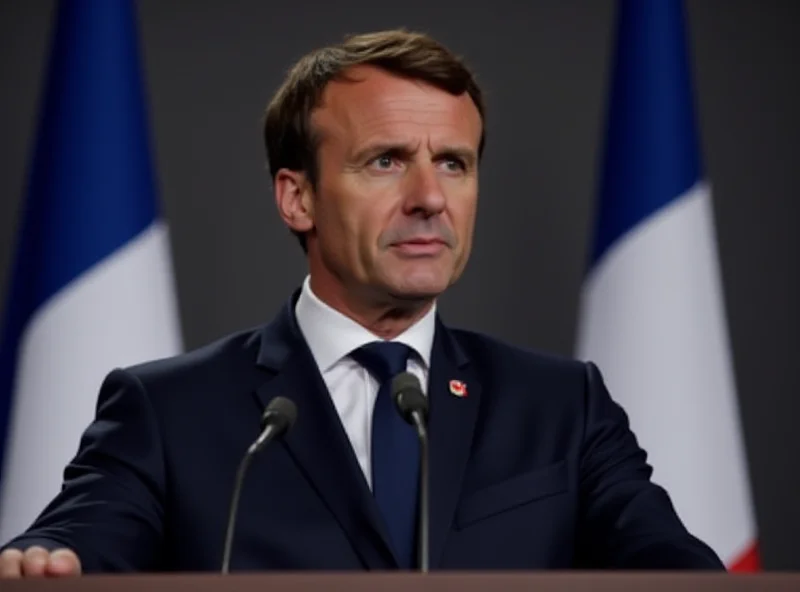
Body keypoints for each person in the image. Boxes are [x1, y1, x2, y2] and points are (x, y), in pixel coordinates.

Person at [0, 29, 724, 577]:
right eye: (386, 161)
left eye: (453, 163)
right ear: (298, 196)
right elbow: (73, 546)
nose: (430, 199)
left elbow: (676, 572)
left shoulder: (564, 405)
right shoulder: (168, 411)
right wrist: (46, 560)